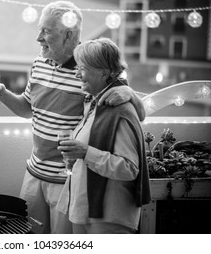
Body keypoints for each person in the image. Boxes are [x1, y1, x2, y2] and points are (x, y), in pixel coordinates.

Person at [0, 1, 146, 234]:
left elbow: (133, 106)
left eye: (46, 31)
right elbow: (28, 108)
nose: (38, 38)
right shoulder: (39, 62)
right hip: (34, 172)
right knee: (24, 237)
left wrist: (128, 91)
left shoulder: (90, 67)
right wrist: (2, 94)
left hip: (67, 181)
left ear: (68, 35)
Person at [56, 38, 151, 234]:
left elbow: (129, 168)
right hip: (87, 210)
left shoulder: (119, 110)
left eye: (82, 69)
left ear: (104, 72)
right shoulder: (95, 102)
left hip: (109, 219)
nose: (77, 74)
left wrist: (85, 152)